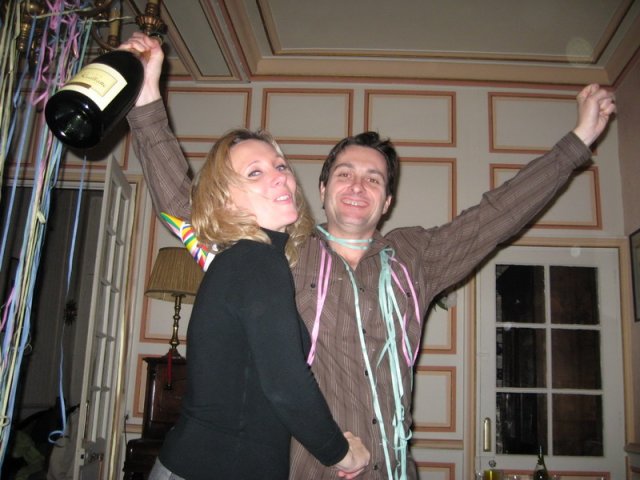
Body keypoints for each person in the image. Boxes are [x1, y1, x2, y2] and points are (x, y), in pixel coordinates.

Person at [124, 32, 616, 480]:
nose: (358, 185)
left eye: (374, 179)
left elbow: (495, 216)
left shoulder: (417, 257)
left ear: (387, 202)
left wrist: (576, 144)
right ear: (321, 189)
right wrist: (146, 100)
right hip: (310, 467)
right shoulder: (282, 254)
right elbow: (189, 206)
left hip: (390, 467)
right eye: (344, 174)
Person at [141, 124, 370, 476]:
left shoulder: (247, 261)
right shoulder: (256, 260)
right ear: (226, 201)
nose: (279, 177)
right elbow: (286, 384)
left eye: (280, 166)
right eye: (254, 173)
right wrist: (341, 453)